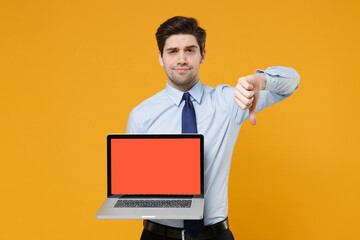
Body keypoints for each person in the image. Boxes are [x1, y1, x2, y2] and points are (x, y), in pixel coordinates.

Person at [127, 16, 300, 240]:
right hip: (157, 235)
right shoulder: (141, 115)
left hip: (214, 235)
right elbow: (133, 185)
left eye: (190, 50)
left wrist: (261, 79)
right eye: (172, 51)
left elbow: (292, 82)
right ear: (160, 58)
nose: (181, 59)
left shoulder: (229, 101)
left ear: (203, 55)